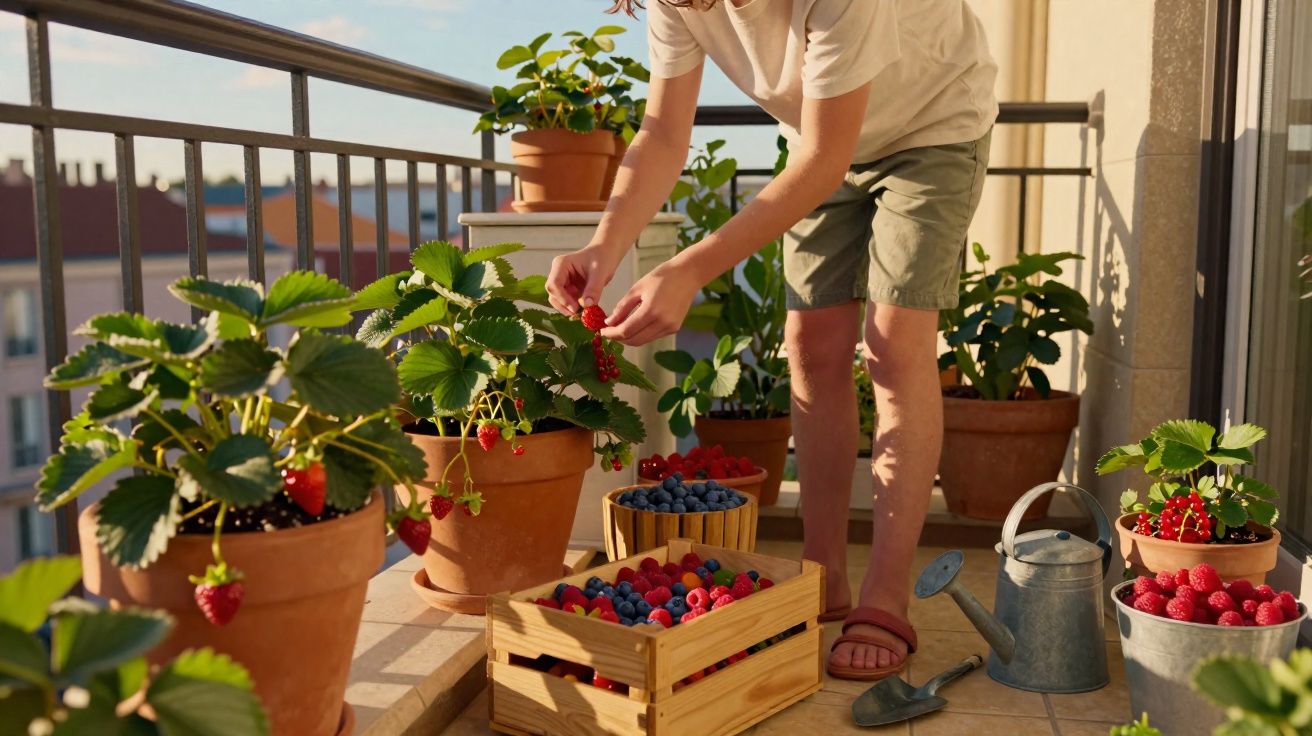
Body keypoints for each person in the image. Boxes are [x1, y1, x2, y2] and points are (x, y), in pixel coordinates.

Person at [545, 0, 997, 681]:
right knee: (811, 348)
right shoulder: (679, 1)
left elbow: (820, 158)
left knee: (894, 344)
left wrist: (690, 267)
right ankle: (822, 574)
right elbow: (665, 130)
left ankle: (884, 593)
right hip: (825, 140)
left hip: (931, 127)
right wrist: (605, 245)